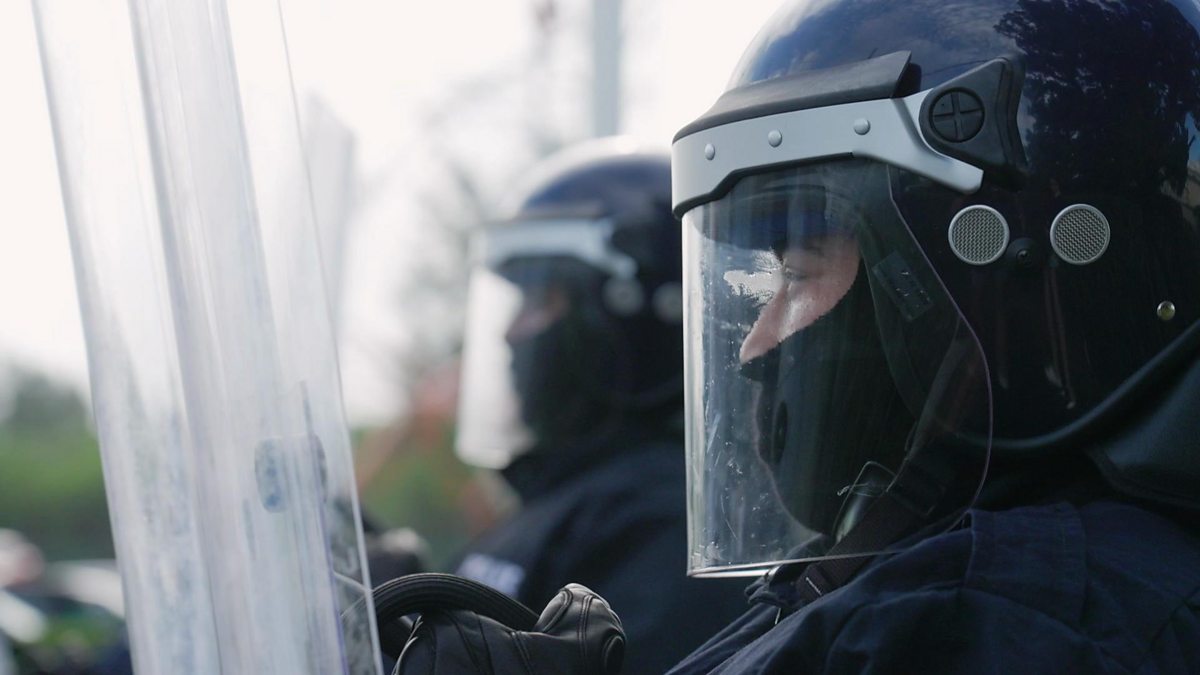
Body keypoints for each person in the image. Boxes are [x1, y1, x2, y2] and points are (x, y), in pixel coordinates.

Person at [391, 2, 1200, 672]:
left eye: (802, 270)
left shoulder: (1008, 619)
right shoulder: (926, 567)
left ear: (998, 267)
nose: (752, 346)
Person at [440, 138, 746, 674]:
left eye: (541, 299)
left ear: (633, 313)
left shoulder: (669, 526)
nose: (510, 331)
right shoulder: (562, 496)